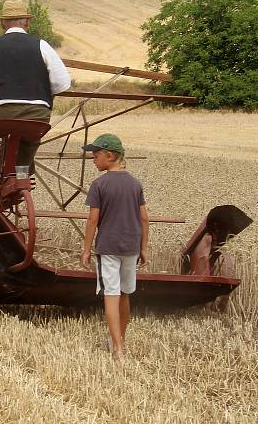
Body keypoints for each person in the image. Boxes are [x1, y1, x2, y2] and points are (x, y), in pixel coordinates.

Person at [0, 0, 71, 180]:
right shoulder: (42, 45)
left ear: (3, 23)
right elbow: (62, 84)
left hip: (3, 113)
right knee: (29, 140)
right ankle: (20, 177)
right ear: (27, 22)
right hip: (38, 114)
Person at [80, 133, 149, 360]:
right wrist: (144, 248)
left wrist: (86, 249)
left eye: (96, 155)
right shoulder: (135, 184)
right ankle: (119, 339)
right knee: (125, 293)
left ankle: (118, 349)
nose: (93, 159)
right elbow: (144, 218)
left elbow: (92, 220)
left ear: (109, 156)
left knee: (111, 294)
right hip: (131, 247)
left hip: (108, 247)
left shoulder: (99, 184)